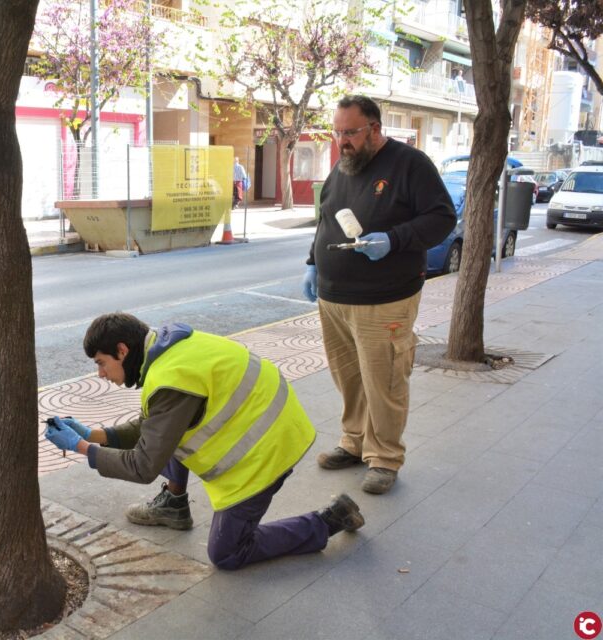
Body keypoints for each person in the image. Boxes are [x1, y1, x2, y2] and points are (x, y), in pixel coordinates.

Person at [43, 312, 365, 570]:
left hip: (266, 452)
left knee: (227, 553)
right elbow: (154, 426)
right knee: (165, 435)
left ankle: (327, 521)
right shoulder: (170, 348)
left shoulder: (171, 380)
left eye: (101, 363)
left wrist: (82, 448)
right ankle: (174, 505)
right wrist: (93, 434)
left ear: (122, 351)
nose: (100, 373)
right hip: (273, 422)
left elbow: (143, 466)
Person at [302, 95, 456, 494]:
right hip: (333, 296)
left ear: (374, 128)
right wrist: (312, 262)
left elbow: (442, 218)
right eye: (337, 133)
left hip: (385, 297)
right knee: (349, 378)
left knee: (384, 380)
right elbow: (326, 219)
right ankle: (354, 443)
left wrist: (393, 239)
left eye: (350, 132)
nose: (342, 142)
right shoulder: (342, 166)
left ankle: (385, 458)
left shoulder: (410, 164)